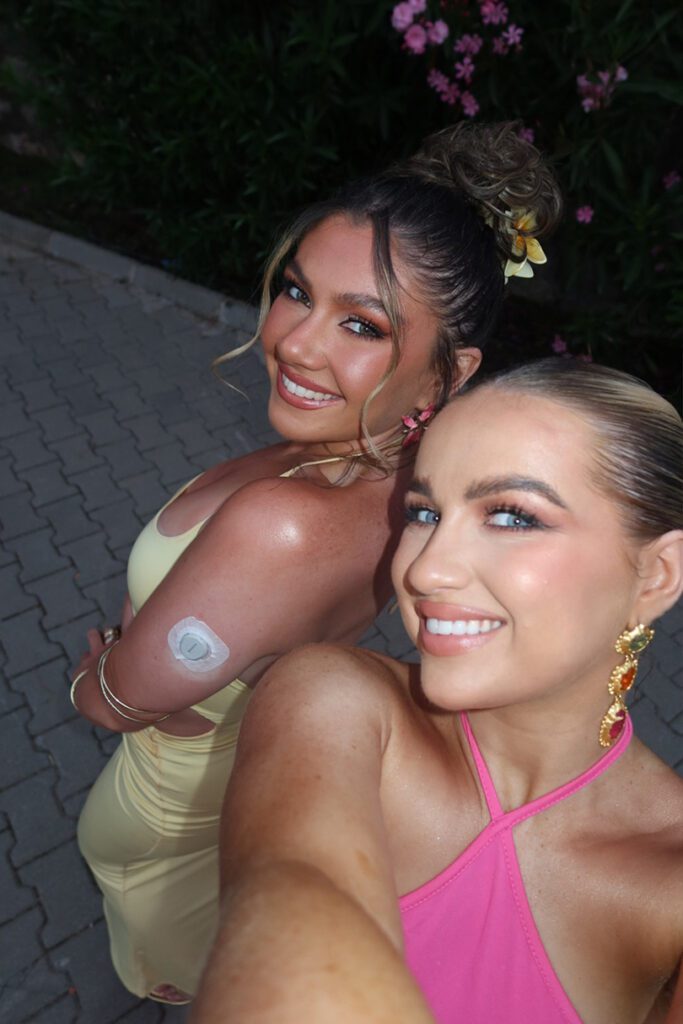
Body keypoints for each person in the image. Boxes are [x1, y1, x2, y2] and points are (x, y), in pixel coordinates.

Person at [69, 122, 561, 1004]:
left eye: (360, 325)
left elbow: (114, 706)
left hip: (161, 820)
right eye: (297, 291)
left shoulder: (285, 526)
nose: (295, 343)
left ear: (449, 376)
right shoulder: (405, 486)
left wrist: (93, 681)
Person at [193, 359, 683, 1024]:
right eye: (423, 512)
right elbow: (291, 898)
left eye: (510, 517)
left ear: (655, 576)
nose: (424, 569)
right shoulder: (334, 704)